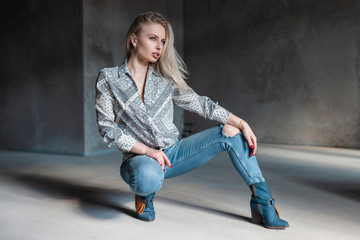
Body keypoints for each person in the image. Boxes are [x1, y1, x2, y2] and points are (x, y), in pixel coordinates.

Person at [95, 12, 289, 229]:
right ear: (134, 39)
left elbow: (201, 104)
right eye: (153, 38)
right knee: (147, 176)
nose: (159, 46)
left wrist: (242, 122)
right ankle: (145, 196)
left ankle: (263, 202)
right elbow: (107, 128)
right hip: (139, 160)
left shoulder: (164, 80)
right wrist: (148, 152)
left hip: (173, 155)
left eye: (163, 41)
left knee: (231, 131)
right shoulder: (109, 78)